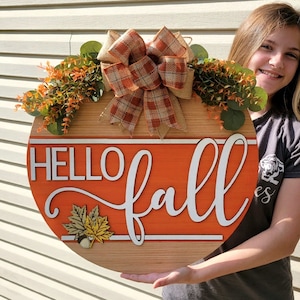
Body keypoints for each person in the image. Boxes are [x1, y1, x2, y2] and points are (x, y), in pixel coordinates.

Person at [121, 3, 300, 299]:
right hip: (184, 293)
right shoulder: (187, 110)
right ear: (246, 45)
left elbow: (284, 236)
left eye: (291, 55)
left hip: (257, 293)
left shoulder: (291, 133)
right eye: (267, 47)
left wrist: (197, 272)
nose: (277, 61)